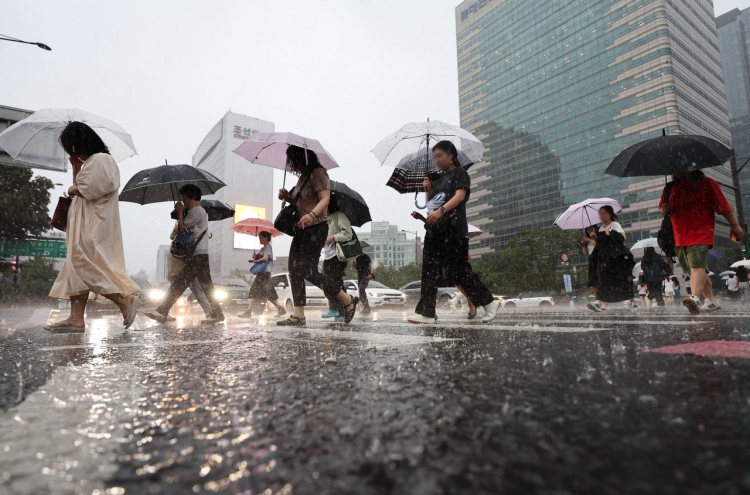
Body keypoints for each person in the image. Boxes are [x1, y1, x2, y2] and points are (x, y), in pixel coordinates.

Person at [45, 122, 140, 331]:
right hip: (83, 223)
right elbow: (83, 186)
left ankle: (124, 300)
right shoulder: (90, 163)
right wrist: (76, 168)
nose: (71, 151)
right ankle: (76, 318)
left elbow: (92, 188)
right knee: (75, 269)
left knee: (84, 265)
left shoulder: (102, 160)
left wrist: (73, 188)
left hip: (95, 225)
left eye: (71, 146)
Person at [407, 141, 499, 324]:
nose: (437, 160)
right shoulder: (440, 180)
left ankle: (488, 302)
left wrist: (441, 211)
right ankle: (426, 312)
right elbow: (435, 203)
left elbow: (459, 197)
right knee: (429, 270)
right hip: (436, 232)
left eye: (440, 155)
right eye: (434, 157)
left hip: (454, 231)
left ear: (451, 155)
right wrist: (430, 188)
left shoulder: (460, 173)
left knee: (458, 272)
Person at [276, 145, 357, 326]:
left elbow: (325, 199)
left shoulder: (318, 172)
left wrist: (312, 215)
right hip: (301, 227)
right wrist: (287, 198)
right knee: (294, 269)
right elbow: (301, 203)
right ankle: (299, 314)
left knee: (308, 270)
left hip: (316, 227)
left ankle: (346, 300)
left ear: (302, 158)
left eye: (293, 160)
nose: (291, 165)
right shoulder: (303, 178)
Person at [660, 170, 744, 314]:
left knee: (696, 267)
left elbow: (723, 206)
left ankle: (695, 298)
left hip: (701, 232)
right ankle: (711, 301)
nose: (680, 172)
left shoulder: (707, 183)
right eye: (676, 169)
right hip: (679, 236)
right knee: (696, 271)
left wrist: (734, 225)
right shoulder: (670, 188)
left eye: (683, 168)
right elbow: (662, 208)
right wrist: (664, 209)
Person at [145, 185, 225, 324]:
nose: (184, 201)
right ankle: (217, 313)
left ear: (193, 197)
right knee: (205, 286)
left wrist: (180, 212)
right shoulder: (200, 212)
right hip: (201, 256)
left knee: (180, 283)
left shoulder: (197, 211)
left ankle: (162, 311)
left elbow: (182, 230)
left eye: (185, 198)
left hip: (198, 256)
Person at [587, 206, 638, 312]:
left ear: (610, 214)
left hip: (616, 259)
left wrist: (611, 233)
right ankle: (599, 302)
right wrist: (593, 237)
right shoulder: (600, 228)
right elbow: (601, 245)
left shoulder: (614, 225)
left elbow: (623, 237)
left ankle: (633, 302)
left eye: (603, 213)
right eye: (599, 213)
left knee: (623, 280)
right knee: (603, 280)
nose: (601, 215)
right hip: (605, 259)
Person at [167, 223, 213, 317]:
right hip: (181, 259)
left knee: (191, 288)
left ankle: (162, 311)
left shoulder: (191, 224)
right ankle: (209, 312)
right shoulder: (186, 223)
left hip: (187, 260)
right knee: (176, 288)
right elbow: (172, 236)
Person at [238, 231, 285, 320]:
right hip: (263, 274)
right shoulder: (263, 248)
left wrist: (256, 261)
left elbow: (266, 258)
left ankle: (248, 312)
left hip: (264, 274)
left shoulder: (267, 247)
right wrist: (255, 257)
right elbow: (261, 258)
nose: (259, 239)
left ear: (266, 237)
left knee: (256, 291)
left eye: (261, 238)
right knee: (264, 292)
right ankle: (280, 309)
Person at [321, 194, 353, 322]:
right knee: (328, 283)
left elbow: (347, 234)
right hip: (328, 256)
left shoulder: (339, 216)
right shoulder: (325, 219)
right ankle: (336, 308)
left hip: (337, 256)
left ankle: (341, 310)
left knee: (335, 283)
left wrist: (333, 237)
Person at [582, 225, 598, 295]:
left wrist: (590, 239)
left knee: (601, 279)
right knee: (592, 282)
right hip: (592, 260)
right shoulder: (588, 240)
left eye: (591, 229)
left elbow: (598, 245)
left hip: (600, 258)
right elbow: (586, 253)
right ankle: (599, 297)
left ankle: (602, 298)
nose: (589, 231)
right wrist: (583, 245)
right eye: (587, 229)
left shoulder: (599, 236)